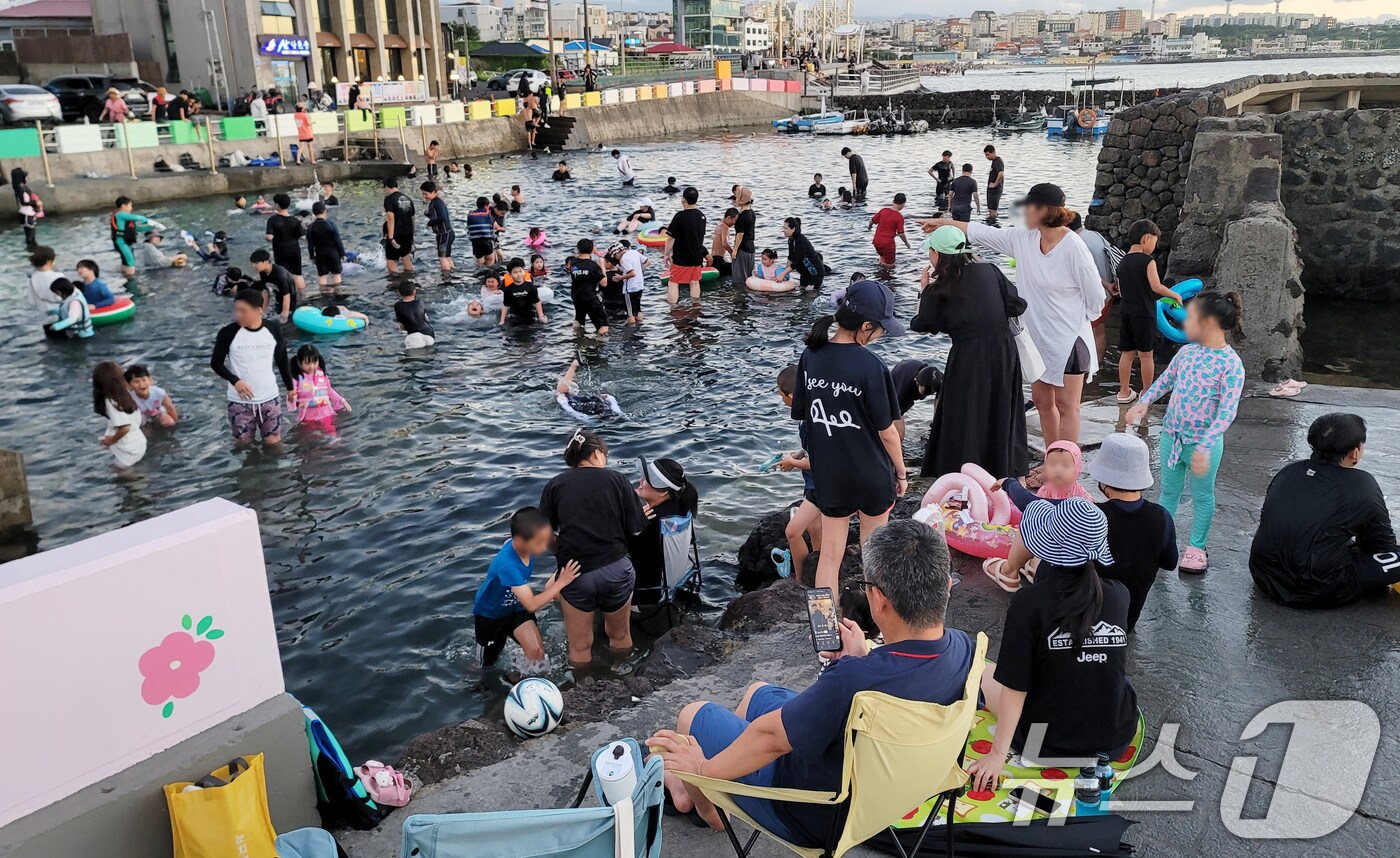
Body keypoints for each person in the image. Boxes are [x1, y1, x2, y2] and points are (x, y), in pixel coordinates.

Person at [649, 520, 974, 846]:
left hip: (813, 813)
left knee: (692, 716)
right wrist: (859, 659)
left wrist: (702, 767)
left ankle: (708, 805)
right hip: (885, 797)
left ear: (878, 598)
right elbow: (884, 682)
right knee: (756, 694)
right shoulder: (962, 649)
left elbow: (772, 738)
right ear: (946, 586)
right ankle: (713, 784)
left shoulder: (851, 680)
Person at [965, 498, 1137, 791]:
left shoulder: (1029, 603)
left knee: (979, 670)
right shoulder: (1119, 594)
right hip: (1113, 737)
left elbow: (1015, 687)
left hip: (1043, 743)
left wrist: (996, 755)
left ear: (1046, 548)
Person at [921, 183, 1105, 446]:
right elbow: (983, 233)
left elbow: (1096, 297)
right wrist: (944, 223)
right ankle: (1051, 460)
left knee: (1067, 405)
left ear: (1044, 210)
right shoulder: (1024, 239)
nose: (1023, 212)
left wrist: (1074, 318)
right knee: (1042, 402)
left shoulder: (1073, 246)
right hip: (1037, 338)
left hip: (1069, 339)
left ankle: (1068, 465)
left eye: (1028, 207)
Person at [790, 280, 907, 594]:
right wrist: (901, 473)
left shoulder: (811, 356)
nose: (881, 336)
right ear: (866, 326)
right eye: (881, 329)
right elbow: (888, 433)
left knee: (830, 556)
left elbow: (804, 415)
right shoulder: (871, 366)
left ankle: (826, 621)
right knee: (872, 554)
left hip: (831, 476)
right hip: (871, 474)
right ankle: (875, 616)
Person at [1126, 292, 1246, 573]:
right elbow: (1165, 381)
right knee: (1169, 491)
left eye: (1190, 318)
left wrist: (1205, 445)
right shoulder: (1187, 352)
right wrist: (1144, 402)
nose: (1185, 322)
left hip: (1203, 444)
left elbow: (1227, 412)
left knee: (1202, 496)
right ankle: (1162, 540)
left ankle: (1196, 547)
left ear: (1209, 323)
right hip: (1172, 436)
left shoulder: (1230, 364)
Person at [911, 225, 1026, 478]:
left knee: (967, 413)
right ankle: (1004, 469)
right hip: (1003, 351)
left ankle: (964, 472)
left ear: (937, 254)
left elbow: (922, 324)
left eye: (930, 251)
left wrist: (924, 290)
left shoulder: (940, 287)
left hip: (968, 355)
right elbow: (1017, 304)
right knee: (1000, 408)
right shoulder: (990, 270)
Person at [1251, 413, 1400, 607]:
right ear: (1355, 453)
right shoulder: (1362, 485)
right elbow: (1382, 546)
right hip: (1316, 589)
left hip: (1264, 575)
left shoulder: (1288, 472)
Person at [538, 430, 649, 666]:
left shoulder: (554, 485)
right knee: (620, 636)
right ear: (597, 453)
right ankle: (624, 678)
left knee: (579, 646)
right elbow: (637, 531)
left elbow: (541, 534)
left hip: (575, 572)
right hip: (615, 568)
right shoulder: (617, 480)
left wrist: (560, 548)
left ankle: (583, 686)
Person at [1087, 433, 1177, 631]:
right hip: (1127, 622)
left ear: (1103, 480)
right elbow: (1170, 563)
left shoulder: (1092, 515)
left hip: (1086, 618)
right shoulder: (1162, 516)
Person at [473, 507, 581, 668]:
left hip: (516, 606)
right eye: (538, 543)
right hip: (491, 616)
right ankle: (477, 678)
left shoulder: (524, 546)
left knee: (537, 653)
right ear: (519, 542)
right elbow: (531, 604)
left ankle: (524, 676)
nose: (544, 547)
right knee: (485, 666)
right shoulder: (507, 565)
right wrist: (561, 582)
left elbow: (554, 540)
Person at [210, 290, 293, 446]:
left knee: (274, 443)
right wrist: (235, 381)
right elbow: (216, 363)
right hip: (240, 401)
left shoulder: (272, 329)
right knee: (243, 445)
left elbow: (282, 358)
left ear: (258, 310)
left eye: (243, 311)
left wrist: (290, 388)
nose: (238, 315)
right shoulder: (228, 333)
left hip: (269, 398)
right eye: (236, 309)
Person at [1115, 219, 1180, 403]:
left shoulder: (1122, 262)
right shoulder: (1147, 261)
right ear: (1146, 239)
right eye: (1155, 242)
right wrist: (1174, 295)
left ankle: (1124, 392)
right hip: (1144, 313)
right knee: (1146, 355)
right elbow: (1156, 286)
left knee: (1126, 353)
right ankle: (1146, 391)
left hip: (1126, 312)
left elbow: (1121, 291)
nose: (1154, 246)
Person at [774, 365, 821, 578]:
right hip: (814, 483)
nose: (781, 398)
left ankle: (802, 580)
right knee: (816, 530)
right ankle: (817, 575)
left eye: (781, 394)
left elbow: (821, 461)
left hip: (819, 486)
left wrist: (793, 462)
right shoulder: (808, 413)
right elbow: (813, 449)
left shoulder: (811, 420)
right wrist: (799, 454)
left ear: (791, 395)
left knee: (792, 532)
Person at [629, 456, 700, 596]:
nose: (639, 481)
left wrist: (633, 524)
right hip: (674, 581)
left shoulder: (652, 521)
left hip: (647, 592)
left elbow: (619, 549)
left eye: (645, 480)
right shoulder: (681, 508)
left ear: (663, 492)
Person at [92, 361, 146, 469]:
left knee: (120, 471)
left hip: (130, 447)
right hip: (138, 440)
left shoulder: (111, 402)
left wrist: (110, 441)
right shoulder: (124, 393)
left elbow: (125, 428)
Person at [663, 186, 708, 306]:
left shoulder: (679, 216)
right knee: (694, 282)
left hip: (682, 257)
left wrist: (666, 254)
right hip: (697, 256)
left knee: (673, 282)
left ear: (683, 200)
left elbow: (670, 237)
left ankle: (673, 308)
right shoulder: (702, 216)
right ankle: (695, 306)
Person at [291, 344, 350, 430]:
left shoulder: (322, 375)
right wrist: (294, 398)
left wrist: (342, 400)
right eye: (307, 363)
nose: (311, 366)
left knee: (331, 432)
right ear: (300, 363)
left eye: (314, 363)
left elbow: (329, 391)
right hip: (309, 416)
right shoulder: (297, 379)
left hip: (325, 412)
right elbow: (293, 398)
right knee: (310, 435)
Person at [888, 360, 942, 439]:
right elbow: (895, 413)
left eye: (931, 393)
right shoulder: (904, 390)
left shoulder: (938, 380)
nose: (927, 395)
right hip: (900, 373)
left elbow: (939, 399)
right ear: (917, 382)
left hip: (918, 369)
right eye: (925, 393)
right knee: (899, 435)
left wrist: (935, 423)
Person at [264, 193, 306, 294]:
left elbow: (269, 237)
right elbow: (303, 237)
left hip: (281, 250)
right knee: (298, 274)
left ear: (277, 205)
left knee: (283, 274)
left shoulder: (272, 220)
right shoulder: (295, 220)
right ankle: (302, 294)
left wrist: (266, 237)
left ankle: (287, 295)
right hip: (295, 249)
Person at [556, 359, 622, 421]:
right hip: (595, 406)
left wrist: (564, 403)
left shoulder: (592, 421)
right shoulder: (613, 416)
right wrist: (610, 398)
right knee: (563, 391)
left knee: (562, 391)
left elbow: (577, 415)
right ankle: (574, 365)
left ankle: (574, 365)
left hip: (592, 406)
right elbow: (577, 415)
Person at [110, 196, 161, 276]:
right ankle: (132, 281)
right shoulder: (120, 215)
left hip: (126, 242)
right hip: (121, 243)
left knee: (126, 263)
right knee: (131, 263)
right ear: (123, 206)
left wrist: (151, 227)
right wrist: (148, 221)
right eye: (130, 205)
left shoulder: (125, 217)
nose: (132, 207)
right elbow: (138, 217)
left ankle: (125, 276)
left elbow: (136, 228)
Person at [568, 239, 609, 336]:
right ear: (591, 250)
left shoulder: (573, 263)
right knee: (604, 324)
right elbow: (604, 283)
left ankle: (577, 338)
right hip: (590, 297)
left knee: (579, 318)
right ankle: (600, 343)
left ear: (578, 249)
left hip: (576, 296)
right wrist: (602, 267)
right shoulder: (593, 266)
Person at [306, 202, 345, 292]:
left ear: (313, 213)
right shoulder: (330, 224)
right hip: (333, 253)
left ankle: (324, 294)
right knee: (336, 274)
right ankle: (338, 293)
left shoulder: (311, 227)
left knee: (322, 276)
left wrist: (312, 257)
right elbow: (338, 240)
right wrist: (342, 253)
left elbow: (310, 244)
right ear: (324, 211)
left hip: (320, 254)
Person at [250, 249, 298, 322]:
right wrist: (263, 311)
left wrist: (285, 313)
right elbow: (266, 292)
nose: (253, 266)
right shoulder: (263, 272)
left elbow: (287, 296)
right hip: (279, 299)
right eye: (252, 263)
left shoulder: (280, 275)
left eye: (256, 263)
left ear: (266, 262)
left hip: (290, 303)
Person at [124, 364, 179, 428]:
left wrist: (176, 423)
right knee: (146, 430)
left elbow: (171, 409)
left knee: (168, 421)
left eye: (144, 380)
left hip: (159, 412)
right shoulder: (130, 398)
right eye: (136, 382)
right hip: (143, 417)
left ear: (150, 380)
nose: (141, 384)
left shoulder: (159, 393)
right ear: (129, 385)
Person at [382, 177, 416, 274]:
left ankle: (396, 279)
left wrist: (391, 237)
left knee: (391, 259)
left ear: (387, 187)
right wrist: (412, 235)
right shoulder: (408, 199)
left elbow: (390, 218)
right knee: (405, 257)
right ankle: (410, 277)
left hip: (396, 233)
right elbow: (413, 218)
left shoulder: (389, 199)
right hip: (408, 232)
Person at [500, 258, 546, 326]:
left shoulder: (530, 286)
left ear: (524, 271)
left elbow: (537, 301)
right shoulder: (508, 289)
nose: (519, 274)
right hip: (515, 316)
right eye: (515, 272)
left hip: (530, 315)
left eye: (520, 271)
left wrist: (541, 316)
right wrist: (502, 320)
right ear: (510, 275)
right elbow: (505, 305)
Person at [421, 181, 455, 273]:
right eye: (423, 194)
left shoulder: (437, 203)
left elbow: (442, 217)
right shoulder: (436, 202)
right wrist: (428, 214)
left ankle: (446, 276)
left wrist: (430, 223)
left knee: (442, 258)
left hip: (444, 234)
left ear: (433, 192)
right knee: (447, 257)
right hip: (447, 233)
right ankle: (452, 274)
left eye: (426, 194)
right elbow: (436, 215)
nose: (424, 196)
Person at [783, 216, 823, 293]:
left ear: (793, 229)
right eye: (783, 228)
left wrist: (783, 274)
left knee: (808, 293)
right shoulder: (791, 240)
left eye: (786, 228)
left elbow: (797, 261)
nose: (784, 230)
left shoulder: (800, 240)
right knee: (801, 291)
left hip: (815, 274)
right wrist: (784, 273)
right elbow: (791, 258)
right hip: (805, 274)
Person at [868, 193, 909, 266]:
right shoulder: (899, 217)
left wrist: (869, 227)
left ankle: (879, 271)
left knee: (882, 258)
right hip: (887, 243)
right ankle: (885, 272)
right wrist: (906, 243)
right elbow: (901, 233)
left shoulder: (883, 210)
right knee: (890, 265)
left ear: (893, 201)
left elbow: (872, 220)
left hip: (877, 241)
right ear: (903, 204)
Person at [394, 281, 435, 349]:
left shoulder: (398, 306)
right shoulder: (421, 302)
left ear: (399, 293)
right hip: (429, 333)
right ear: (414, 291)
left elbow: (401, 324)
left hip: (414, 337)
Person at [731, 186, 757, 287]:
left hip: (742, 249)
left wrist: (735, 250)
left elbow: (740, 234)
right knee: (749, 277)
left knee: (739, 279)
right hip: (751, 249)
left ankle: (739, 296)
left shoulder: (742, 216)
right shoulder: (751, 213)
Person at [619, 239, 647, 326]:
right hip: (640, 285)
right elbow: (647, 262)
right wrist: (640, 270)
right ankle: (640, 326)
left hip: (630, 288)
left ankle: (632, 330)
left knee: (630, 314)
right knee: (638, 310)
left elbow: (632, 273)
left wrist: (620, 277)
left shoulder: (624, 258)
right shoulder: (635, 252)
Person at [12, 167, 41, 249]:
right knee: (30, 236)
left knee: (31, 235)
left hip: (28, 213)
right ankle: (32, 250)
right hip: (26, 213)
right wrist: (35, 203)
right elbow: (23, 202)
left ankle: (33, 250)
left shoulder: (21, 186)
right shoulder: (20, 188)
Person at [467, 196, 499, 266]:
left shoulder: (470, 215)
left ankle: (480, 270)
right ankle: (488, 270)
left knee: (479, 259)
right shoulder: (488, 214)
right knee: (490, 259)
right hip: (486, 240)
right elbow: (496, 227)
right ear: (486, 206)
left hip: (475, 241)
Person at [983, 144, 1005, 223]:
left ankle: (993, 225)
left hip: (995, 190)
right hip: (992, 190)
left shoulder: (998, 161)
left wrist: (995, 184)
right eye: (986, 155)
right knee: (991, 209)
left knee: (992, 210)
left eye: (988, 155)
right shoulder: (994, 162)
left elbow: (1001, 174)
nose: (987, 157)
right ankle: (991, 223)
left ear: (993, 152)